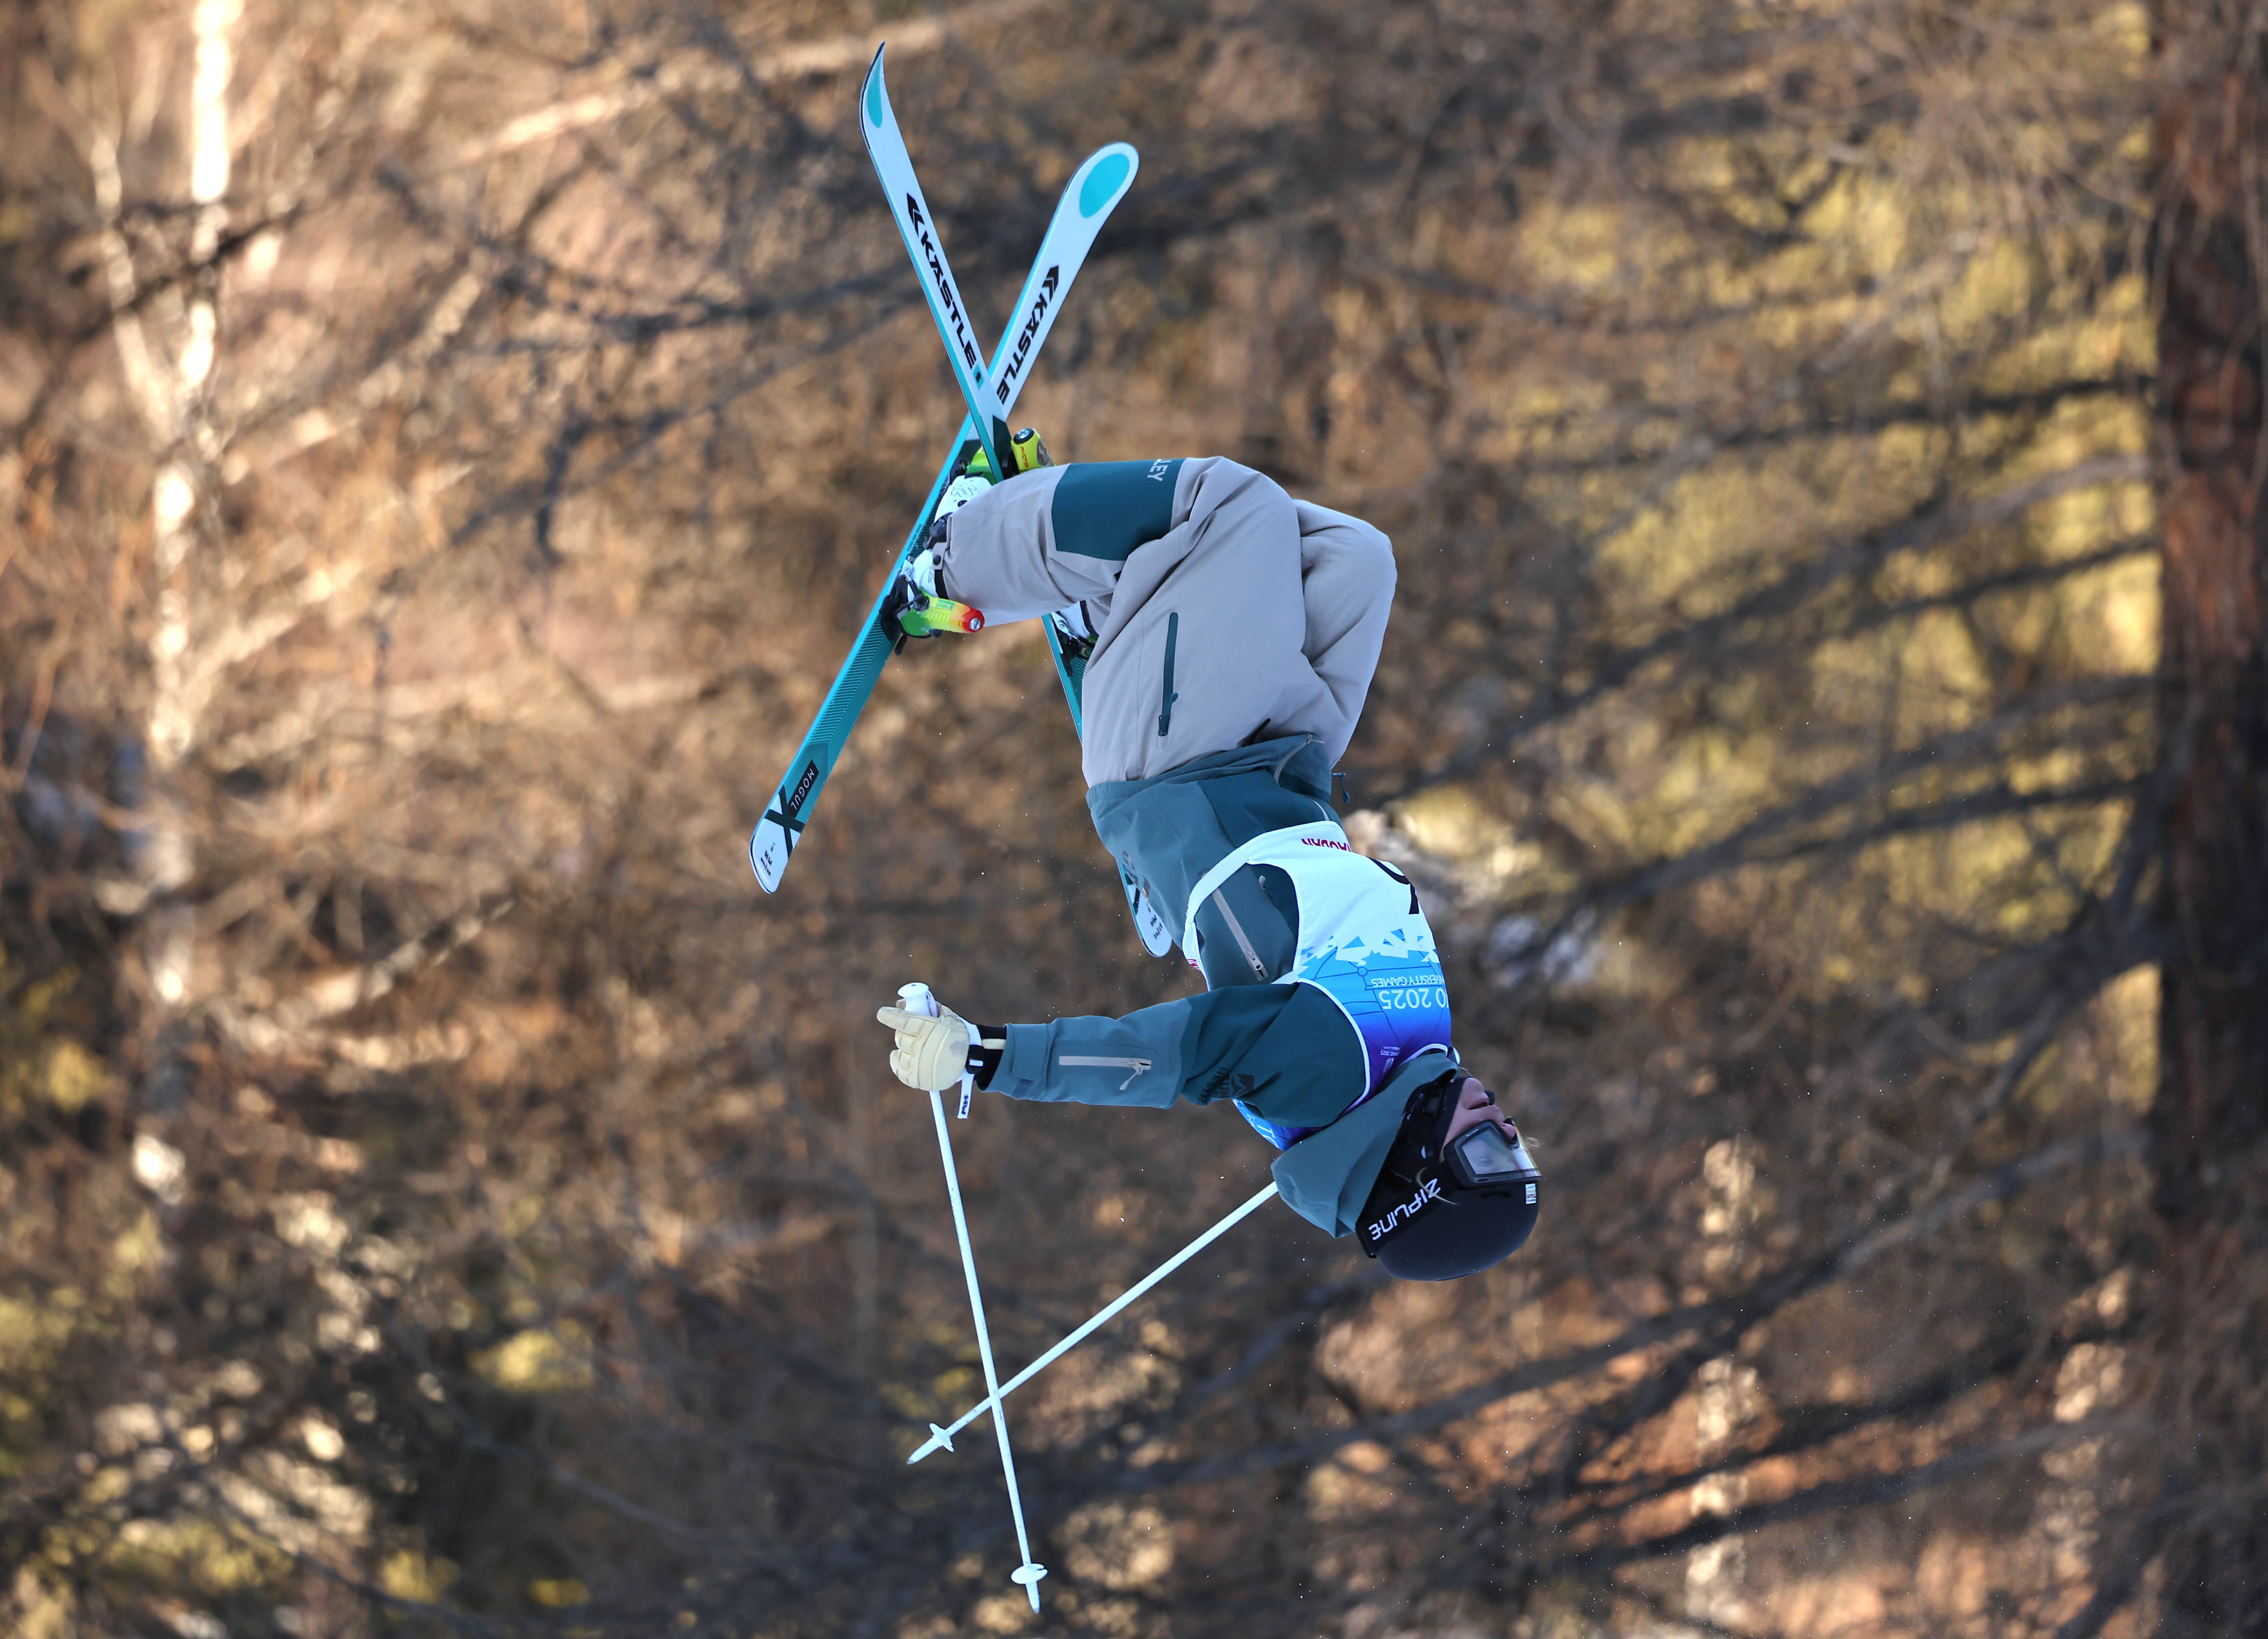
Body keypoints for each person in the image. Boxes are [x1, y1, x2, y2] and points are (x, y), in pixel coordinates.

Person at [873, 445, 1541, 1280]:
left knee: (1227, 505)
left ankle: (956, 559)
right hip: (1275, 767)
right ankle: (1124, 602)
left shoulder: (1326, 1079)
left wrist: (987, 1054)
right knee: (1352, 562)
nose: (1506, 1128)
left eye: (1486, 1157)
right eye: (1521, 1151)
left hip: (1175, 772)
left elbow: (1162, 1057)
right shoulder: (1413, 1060)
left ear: (1414, 1179)